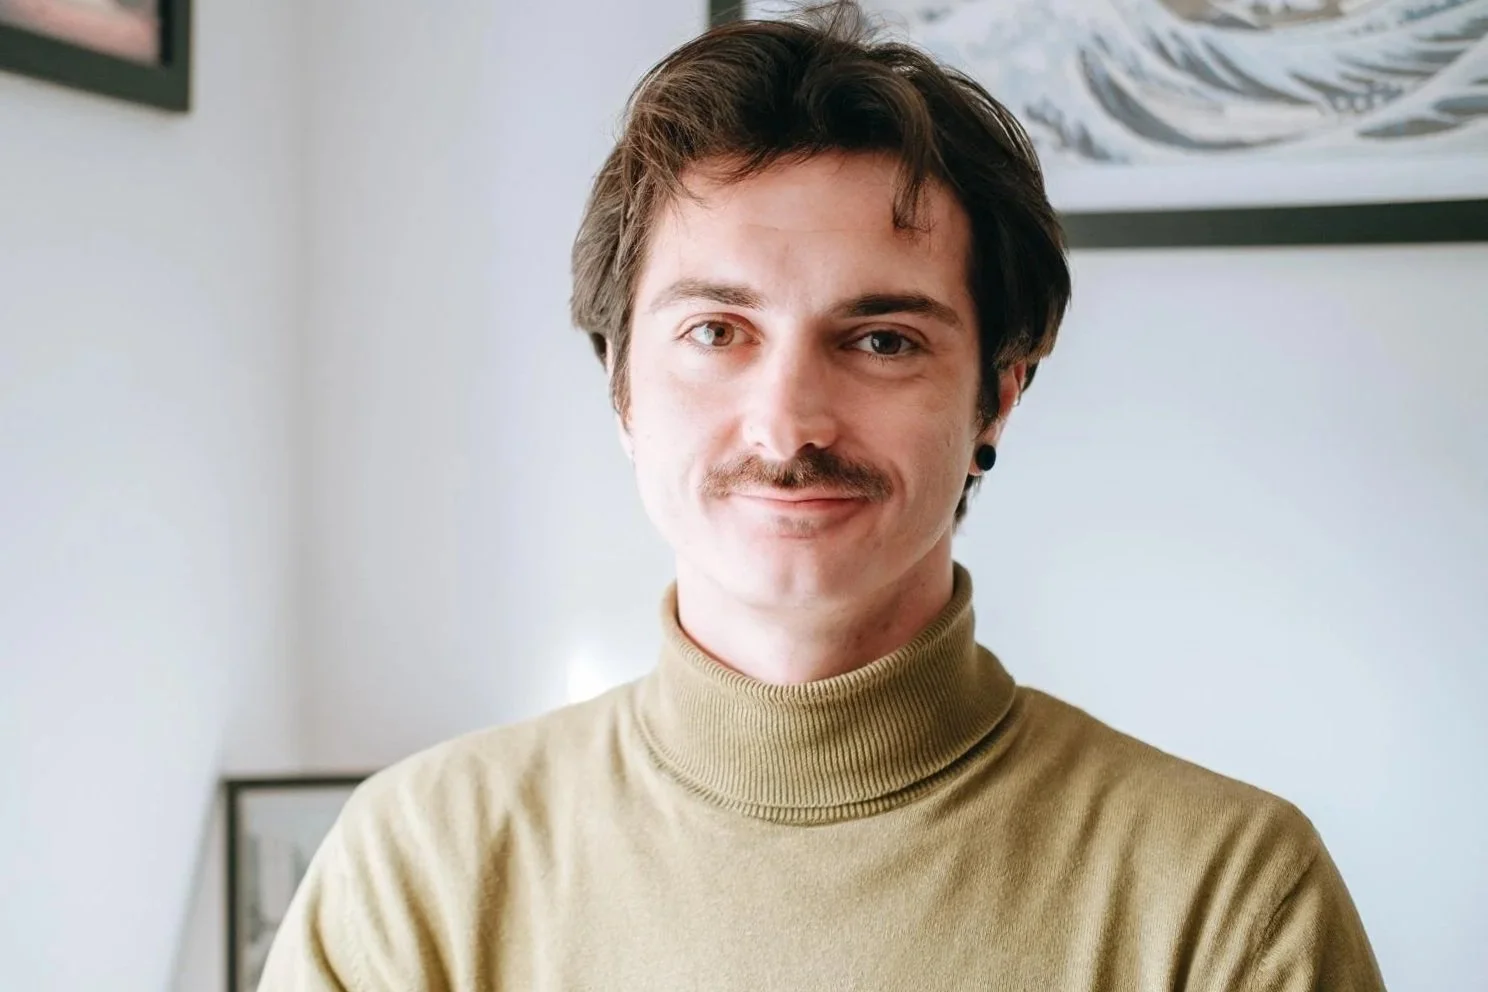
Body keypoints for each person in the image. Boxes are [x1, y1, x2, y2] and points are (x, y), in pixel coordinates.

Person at [260, 3, 1385, 989]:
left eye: (882, 339)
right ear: (621, 386)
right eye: (717, 332)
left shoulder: (1228, 897)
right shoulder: (416, 869)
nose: (789, 424)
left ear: (997, 396)